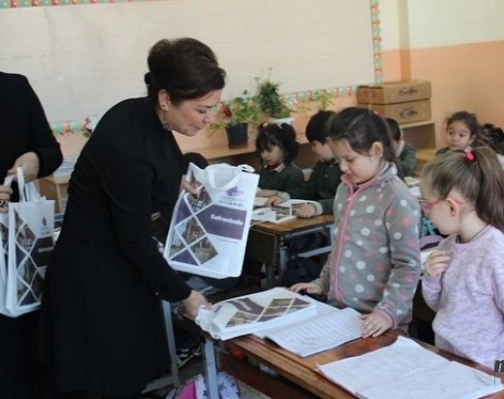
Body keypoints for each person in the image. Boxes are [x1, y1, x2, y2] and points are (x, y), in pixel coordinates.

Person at [38, 38, 221, 398]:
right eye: (202, 110)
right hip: (94, 280)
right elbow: (134, 237)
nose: (209, 119)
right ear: (167, 98)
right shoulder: (127, 141)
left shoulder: (148, 117)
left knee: (130, 376)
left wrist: (177, 182)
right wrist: (185, 294)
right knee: (106, 380)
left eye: (214, 108)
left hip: (123, 269)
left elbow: (164, 167)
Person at [289, 107, 421, 338]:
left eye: (349, 159)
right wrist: (322, 283)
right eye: (338, 159)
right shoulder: (344, 189)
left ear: (376, 151)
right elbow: (340, 245)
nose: (342, 167)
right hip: (340, 313)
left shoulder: (396, 197)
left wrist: (387, 313)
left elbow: (407, 265)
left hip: (378, 322)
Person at [419, 148, 504, 381]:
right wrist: (432, 280)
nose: (425, 213)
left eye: (427, 204)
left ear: (452, 207)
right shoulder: (447, 246)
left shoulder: (498, 257)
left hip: (487, 375)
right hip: (450, 363)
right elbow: (441, 307)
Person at [0, 71, 62, 399]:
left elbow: (52, 151)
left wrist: (36, 159)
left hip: (20, 243)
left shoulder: (14, 87)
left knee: (29, 338)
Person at [268, 110, 342, 218]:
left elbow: (346, 200)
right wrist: (285, 197)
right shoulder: (321, 165)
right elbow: (309, 189)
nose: (312, 149)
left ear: (329, 142)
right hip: (317, 218)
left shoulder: (347, 169)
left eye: (314, 144)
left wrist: (318, 207)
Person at [254, 122, 304, 197]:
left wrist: (275, 194)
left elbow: (295, 199)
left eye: (269, 150)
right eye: (261, 151)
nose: (264, 155)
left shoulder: (293, 174)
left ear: (284, 148)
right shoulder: (263, 170)